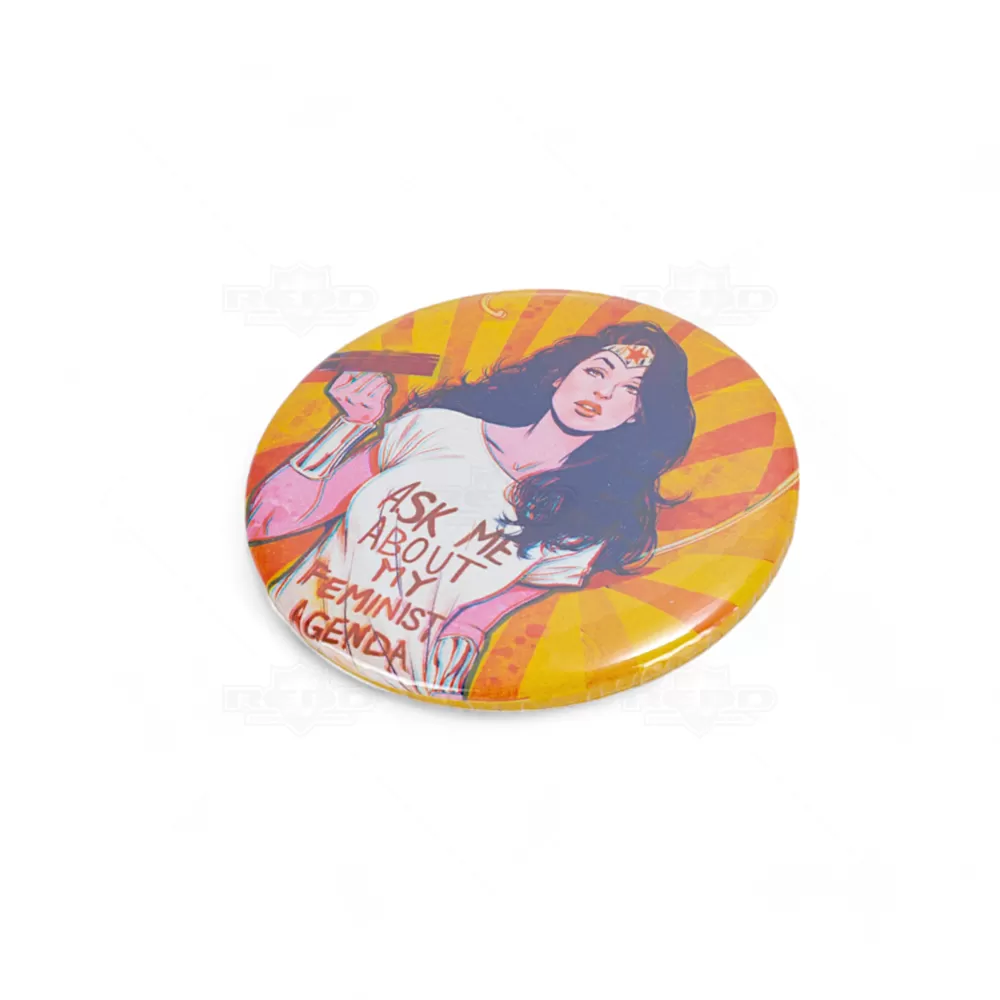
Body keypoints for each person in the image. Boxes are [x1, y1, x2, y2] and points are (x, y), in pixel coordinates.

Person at [247, 321, 696, 698]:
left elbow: (482, 616)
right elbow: (269, 521)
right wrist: (350, 426)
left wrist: (456, 660)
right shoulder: (433, 429)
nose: (602, 392)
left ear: (636, 414)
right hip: (274, 645)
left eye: (630, 389)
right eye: (597, 371)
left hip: (407, 689)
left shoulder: (588, 523)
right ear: (560, 376)